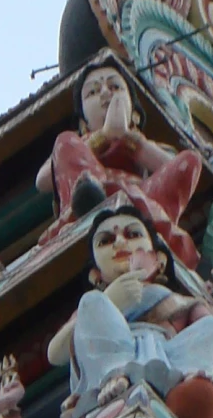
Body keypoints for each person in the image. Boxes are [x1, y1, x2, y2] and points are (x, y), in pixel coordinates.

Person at [45, 206, 213, 418]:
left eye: (132, 235)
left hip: (170, 358)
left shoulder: (181, 302)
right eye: (106, 241)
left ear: (159, 260)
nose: (119, 243)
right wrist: (112, 300)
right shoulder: (97, 303)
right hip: (110, 363)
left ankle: (187, 384)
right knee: (91, 302)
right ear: (95, 275)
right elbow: (55, 354)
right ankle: (112, 375)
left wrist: (193, 354)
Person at [37, 56, 204, 266]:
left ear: (134, 114)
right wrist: (103, 136)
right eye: (93, 92)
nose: (106, 93)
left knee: (191, 158)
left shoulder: (144, 144)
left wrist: (130, 140)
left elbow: (181, 168)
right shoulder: (80, 142)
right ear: (83, 122)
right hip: (89, 191)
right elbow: (43, 180)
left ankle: (145, 220)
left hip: (141, 197)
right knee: (64, 140)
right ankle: (93, 201)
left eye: (115, 87)